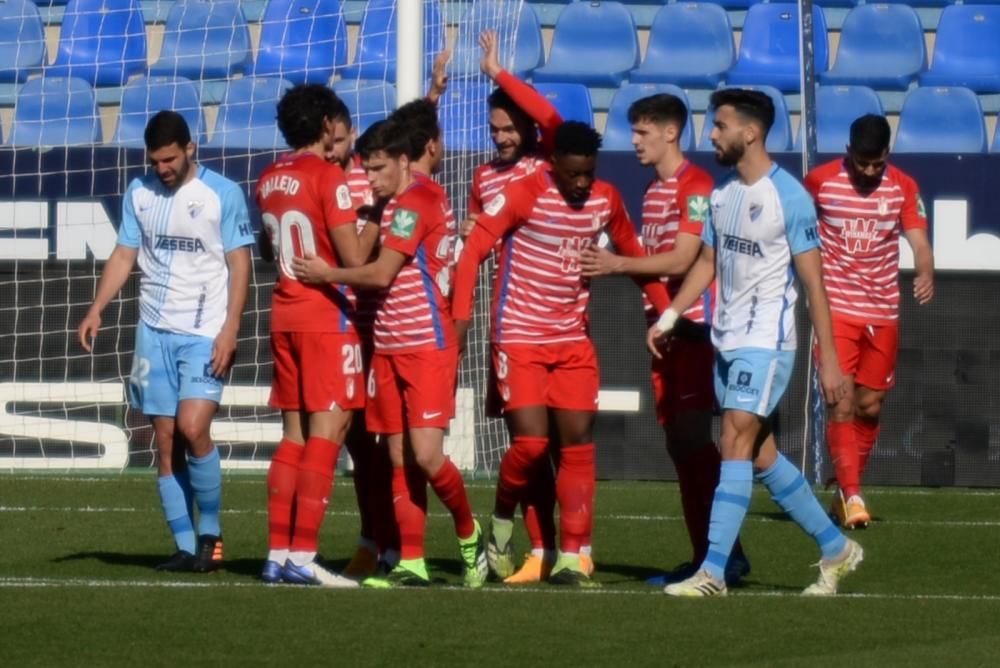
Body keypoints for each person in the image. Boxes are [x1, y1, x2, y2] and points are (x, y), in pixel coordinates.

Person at [653, 89, 862, 597]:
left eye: (719, 125)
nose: (712, 134)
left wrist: (828, 362)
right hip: (728, 341)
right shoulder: (722, 194)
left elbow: (814, 284)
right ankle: (837, 548)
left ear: (750, 132)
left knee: (734, 442)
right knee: (762, 455)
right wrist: (672, 314)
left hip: (767, 342)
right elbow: (706, 261)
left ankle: (713, 573)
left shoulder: (788, 197)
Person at [452, 121, 672, 586]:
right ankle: (501, 521)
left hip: (573, 341)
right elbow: (472, 251)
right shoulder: (522, 193)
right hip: (519, 336)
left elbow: (631, 255)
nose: (581, 184)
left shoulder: (605, 199)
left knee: (577, 445)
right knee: (531, 445)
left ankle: (572, 556)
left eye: (587, 174)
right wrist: (461, 318)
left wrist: (665, 315)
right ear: (553, 165)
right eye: (572, 174)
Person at [291, 119, 487, 588]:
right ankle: (412, 561)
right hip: (387, 347)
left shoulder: (412, 204)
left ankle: (469, 532)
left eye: (378, 169)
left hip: (425, 344)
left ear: (403, 161)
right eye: (366, 169)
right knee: (398, 456)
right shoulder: (398, 199)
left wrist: (327, 273)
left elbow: (380, 275)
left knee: (426, 454)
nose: (371, 179)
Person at [579, 93, 749, 584]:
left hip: (695, 328)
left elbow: (682, 260)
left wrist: (617, 264)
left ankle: (722, 554)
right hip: (664, 332)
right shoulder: (653, 191)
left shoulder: (696, 187)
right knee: (681, 445)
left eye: (643, 133)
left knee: (694, 441)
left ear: (671, 133)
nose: (633, 142)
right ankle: (708, 553)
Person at [78, 111, 253, 572]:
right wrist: (97, 307)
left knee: (194, 429)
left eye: (170, 159)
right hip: (152, 332)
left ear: (190, 148)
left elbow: (240, 264)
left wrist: (230, 328)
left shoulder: (223, 195)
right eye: (156, 161)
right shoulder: (140, 192)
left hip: (203, 332)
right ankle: (183, 542)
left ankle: (210, 537)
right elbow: (124, 253)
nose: (163, 169)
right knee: (164, 438)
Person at [256, 85, 381, 587]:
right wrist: (374, 221)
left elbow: (270, 250)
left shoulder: (268, 177)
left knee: (293, 438)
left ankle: (276, 552)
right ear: (328, 124)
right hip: (328, 319)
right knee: (328, 437)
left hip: (284, 314)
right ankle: (304, 557)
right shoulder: (329, 177)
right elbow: (353, 262)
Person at [804, 114, 934, 529]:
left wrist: (926, 270)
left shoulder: (904, 187)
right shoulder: (820, 181)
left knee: (870, 407)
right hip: (836, 309)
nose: (869, 172)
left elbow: (919, 239)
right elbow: (797, 233)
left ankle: (846, 486)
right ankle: (853, 494)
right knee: (839, 401)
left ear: (887, 156)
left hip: (883, 311)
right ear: (848, 153)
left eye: (876, 164)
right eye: (862, 163)